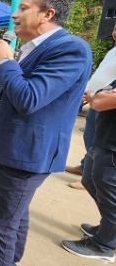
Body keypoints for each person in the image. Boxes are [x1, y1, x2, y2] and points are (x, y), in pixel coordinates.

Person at [0, 0, 92, 266]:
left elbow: (29, 98)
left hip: (28, 155)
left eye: (23, 8)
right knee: (14, 214)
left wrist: (7, 62)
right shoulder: (36, 49)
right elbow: (14, 94)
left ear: (47, 14)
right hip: (16, 150)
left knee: (2, 222)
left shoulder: (71, 49)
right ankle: (9, 258)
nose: (15, 16)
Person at [61, 78, 116, 262]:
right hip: (104, 140)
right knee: (90, 181)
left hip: (113, 149)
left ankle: (104, 246)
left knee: (111, 197)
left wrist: (96, 95)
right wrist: (100, 94)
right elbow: (104, 93)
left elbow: (100, 101)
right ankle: (108, 230)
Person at [65, 23, 116, 190]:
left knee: (100, 143)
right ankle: (85, 167)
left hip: (107, 106)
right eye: (114, 28)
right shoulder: (113, 51)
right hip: (94, 101)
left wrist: (100, 96)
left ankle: (92, 177)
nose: (114, 31)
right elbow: (102, 74)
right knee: (90, 138)